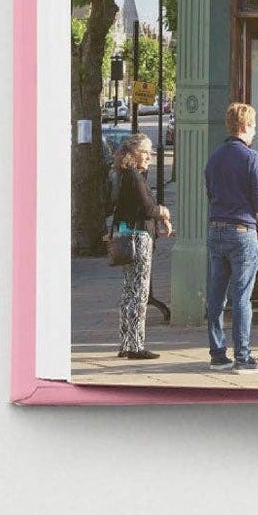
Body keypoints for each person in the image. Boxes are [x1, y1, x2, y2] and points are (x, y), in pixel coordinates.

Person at [205, 100, 258, 372]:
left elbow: (209, 192)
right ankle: (243, 356)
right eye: (254, 126)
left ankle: (217, 354)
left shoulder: (215, 156)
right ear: (244, 127)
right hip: (242, 231)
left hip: (216, 228)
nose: (255, 131)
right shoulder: (251, 158)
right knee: (242, 296)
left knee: (216, 295)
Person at [108, 133, 171, 359]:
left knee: (129, 291)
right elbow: (147, 209)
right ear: (134, 154)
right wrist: (163, 211)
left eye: (150, 152)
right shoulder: (134, 176)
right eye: (145, 152)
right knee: (139, 293)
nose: (150, 157)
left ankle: (126, 343)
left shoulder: (124, 175)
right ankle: (136, 346)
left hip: (128, 235)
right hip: (138, 238)